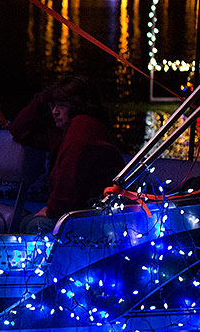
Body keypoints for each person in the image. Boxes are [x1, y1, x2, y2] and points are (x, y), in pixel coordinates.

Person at [9, 75, 124, 232]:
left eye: (61, 105)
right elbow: (19, 129)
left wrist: (52, 211)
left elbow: (68, 180)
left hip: (97, 216)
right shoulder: (62, 133)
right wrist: (43, 98)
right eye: (53, 105)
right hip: (80, 211)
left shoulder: (83, 127)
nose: (55, 111)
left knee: (36, 226)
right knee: (23, 223)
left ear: (77, 105)